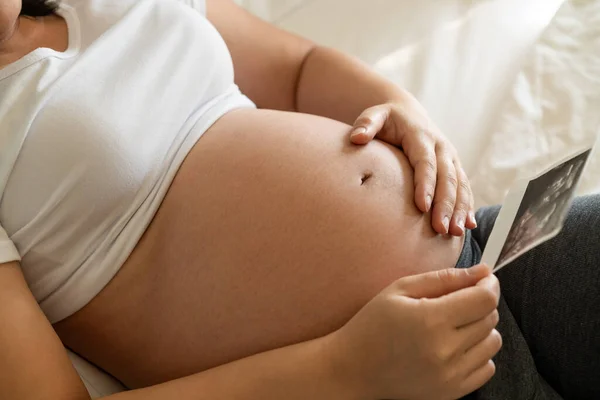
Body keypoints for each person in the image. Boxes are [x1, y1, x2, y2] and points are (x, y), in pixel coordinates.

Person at [0, 0, 598, 399]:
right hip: (386, 377)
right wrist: (346, 369)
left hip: (485, 248)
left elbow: (298, 68)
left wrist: (404, 111)